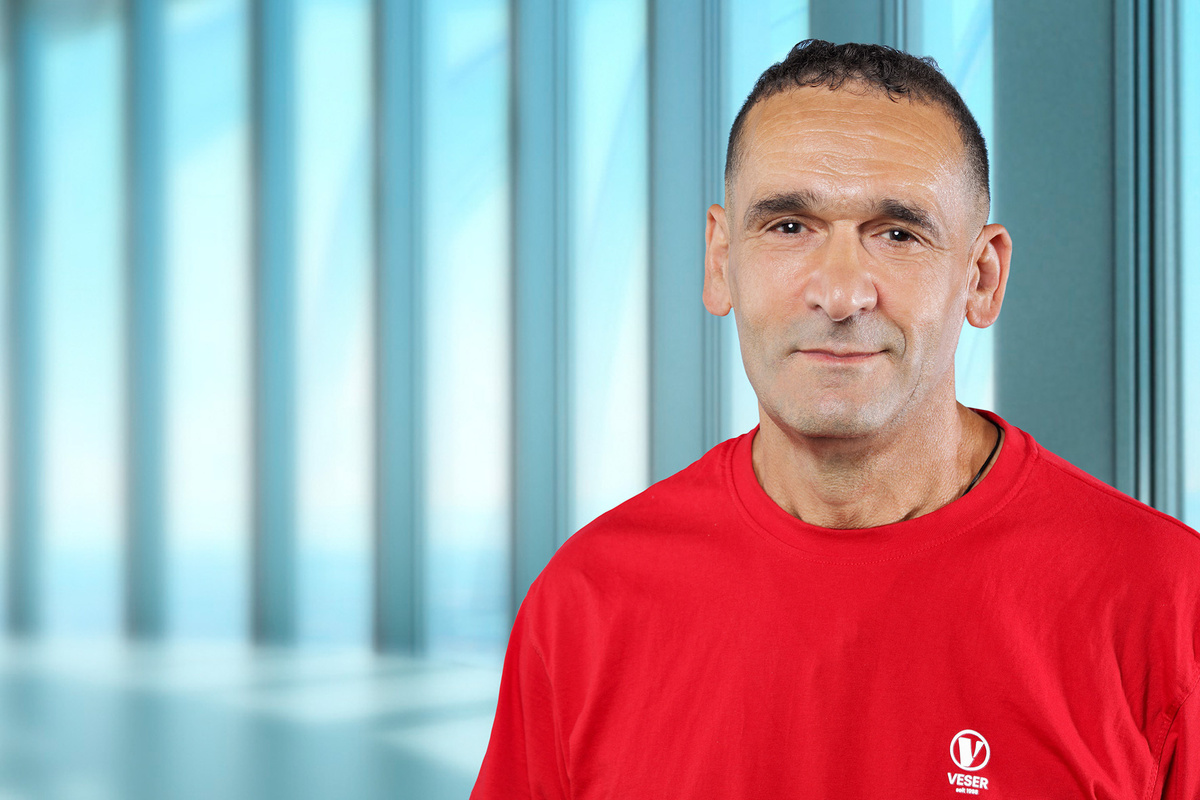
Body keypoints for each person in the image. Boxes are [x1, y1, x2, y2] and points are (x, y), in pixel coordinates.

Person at [471, 40, 1200, 798]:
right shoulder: (585, 606)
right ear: (720, 261)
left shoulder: (1168, 608)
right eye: (789, 226)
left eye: (898, 233)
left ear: (982, 278)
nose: (842, 294)